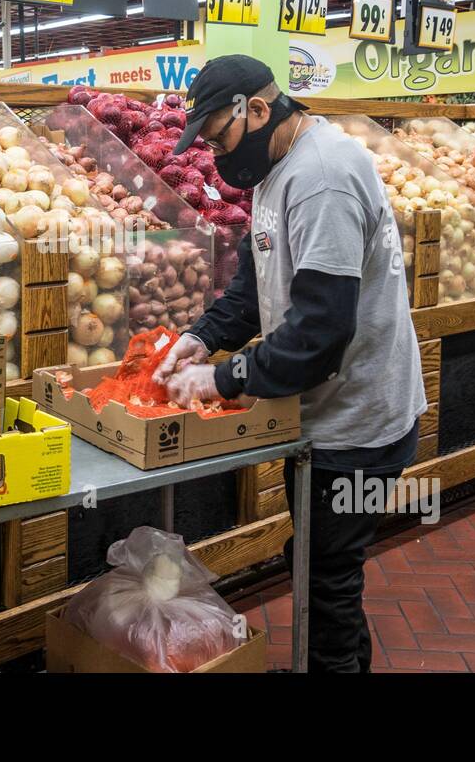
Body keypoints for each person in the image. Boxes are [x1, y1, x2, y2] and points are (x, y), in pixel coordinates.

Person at [153, 54, 427, 673]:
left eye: (221, 136)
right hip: (322, 413)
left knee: (327, 573)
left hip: (360, 420)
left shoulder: (323, 176)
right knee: (317, 561)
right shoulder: (275, 170)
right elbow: (256, 285)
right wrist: (203, 337)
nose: (221, 156)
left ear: (255, 109)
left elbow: (321, 330)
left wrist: (222, 378)